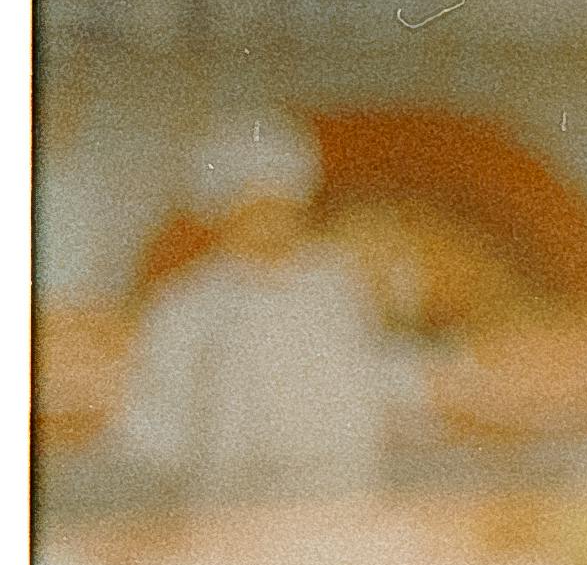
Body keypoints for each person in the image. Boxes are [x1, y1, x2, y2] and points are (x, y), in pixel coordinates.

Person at [101, 109, 403, 503]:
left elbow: (374, 379)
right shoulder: (187, 304)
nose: (271, 220)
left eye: (282, 205)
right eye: (255, 207)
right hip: (228, 506)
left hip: (338, 498)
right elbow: (156, 426)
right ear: (223, 212)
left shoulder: (337, 285)